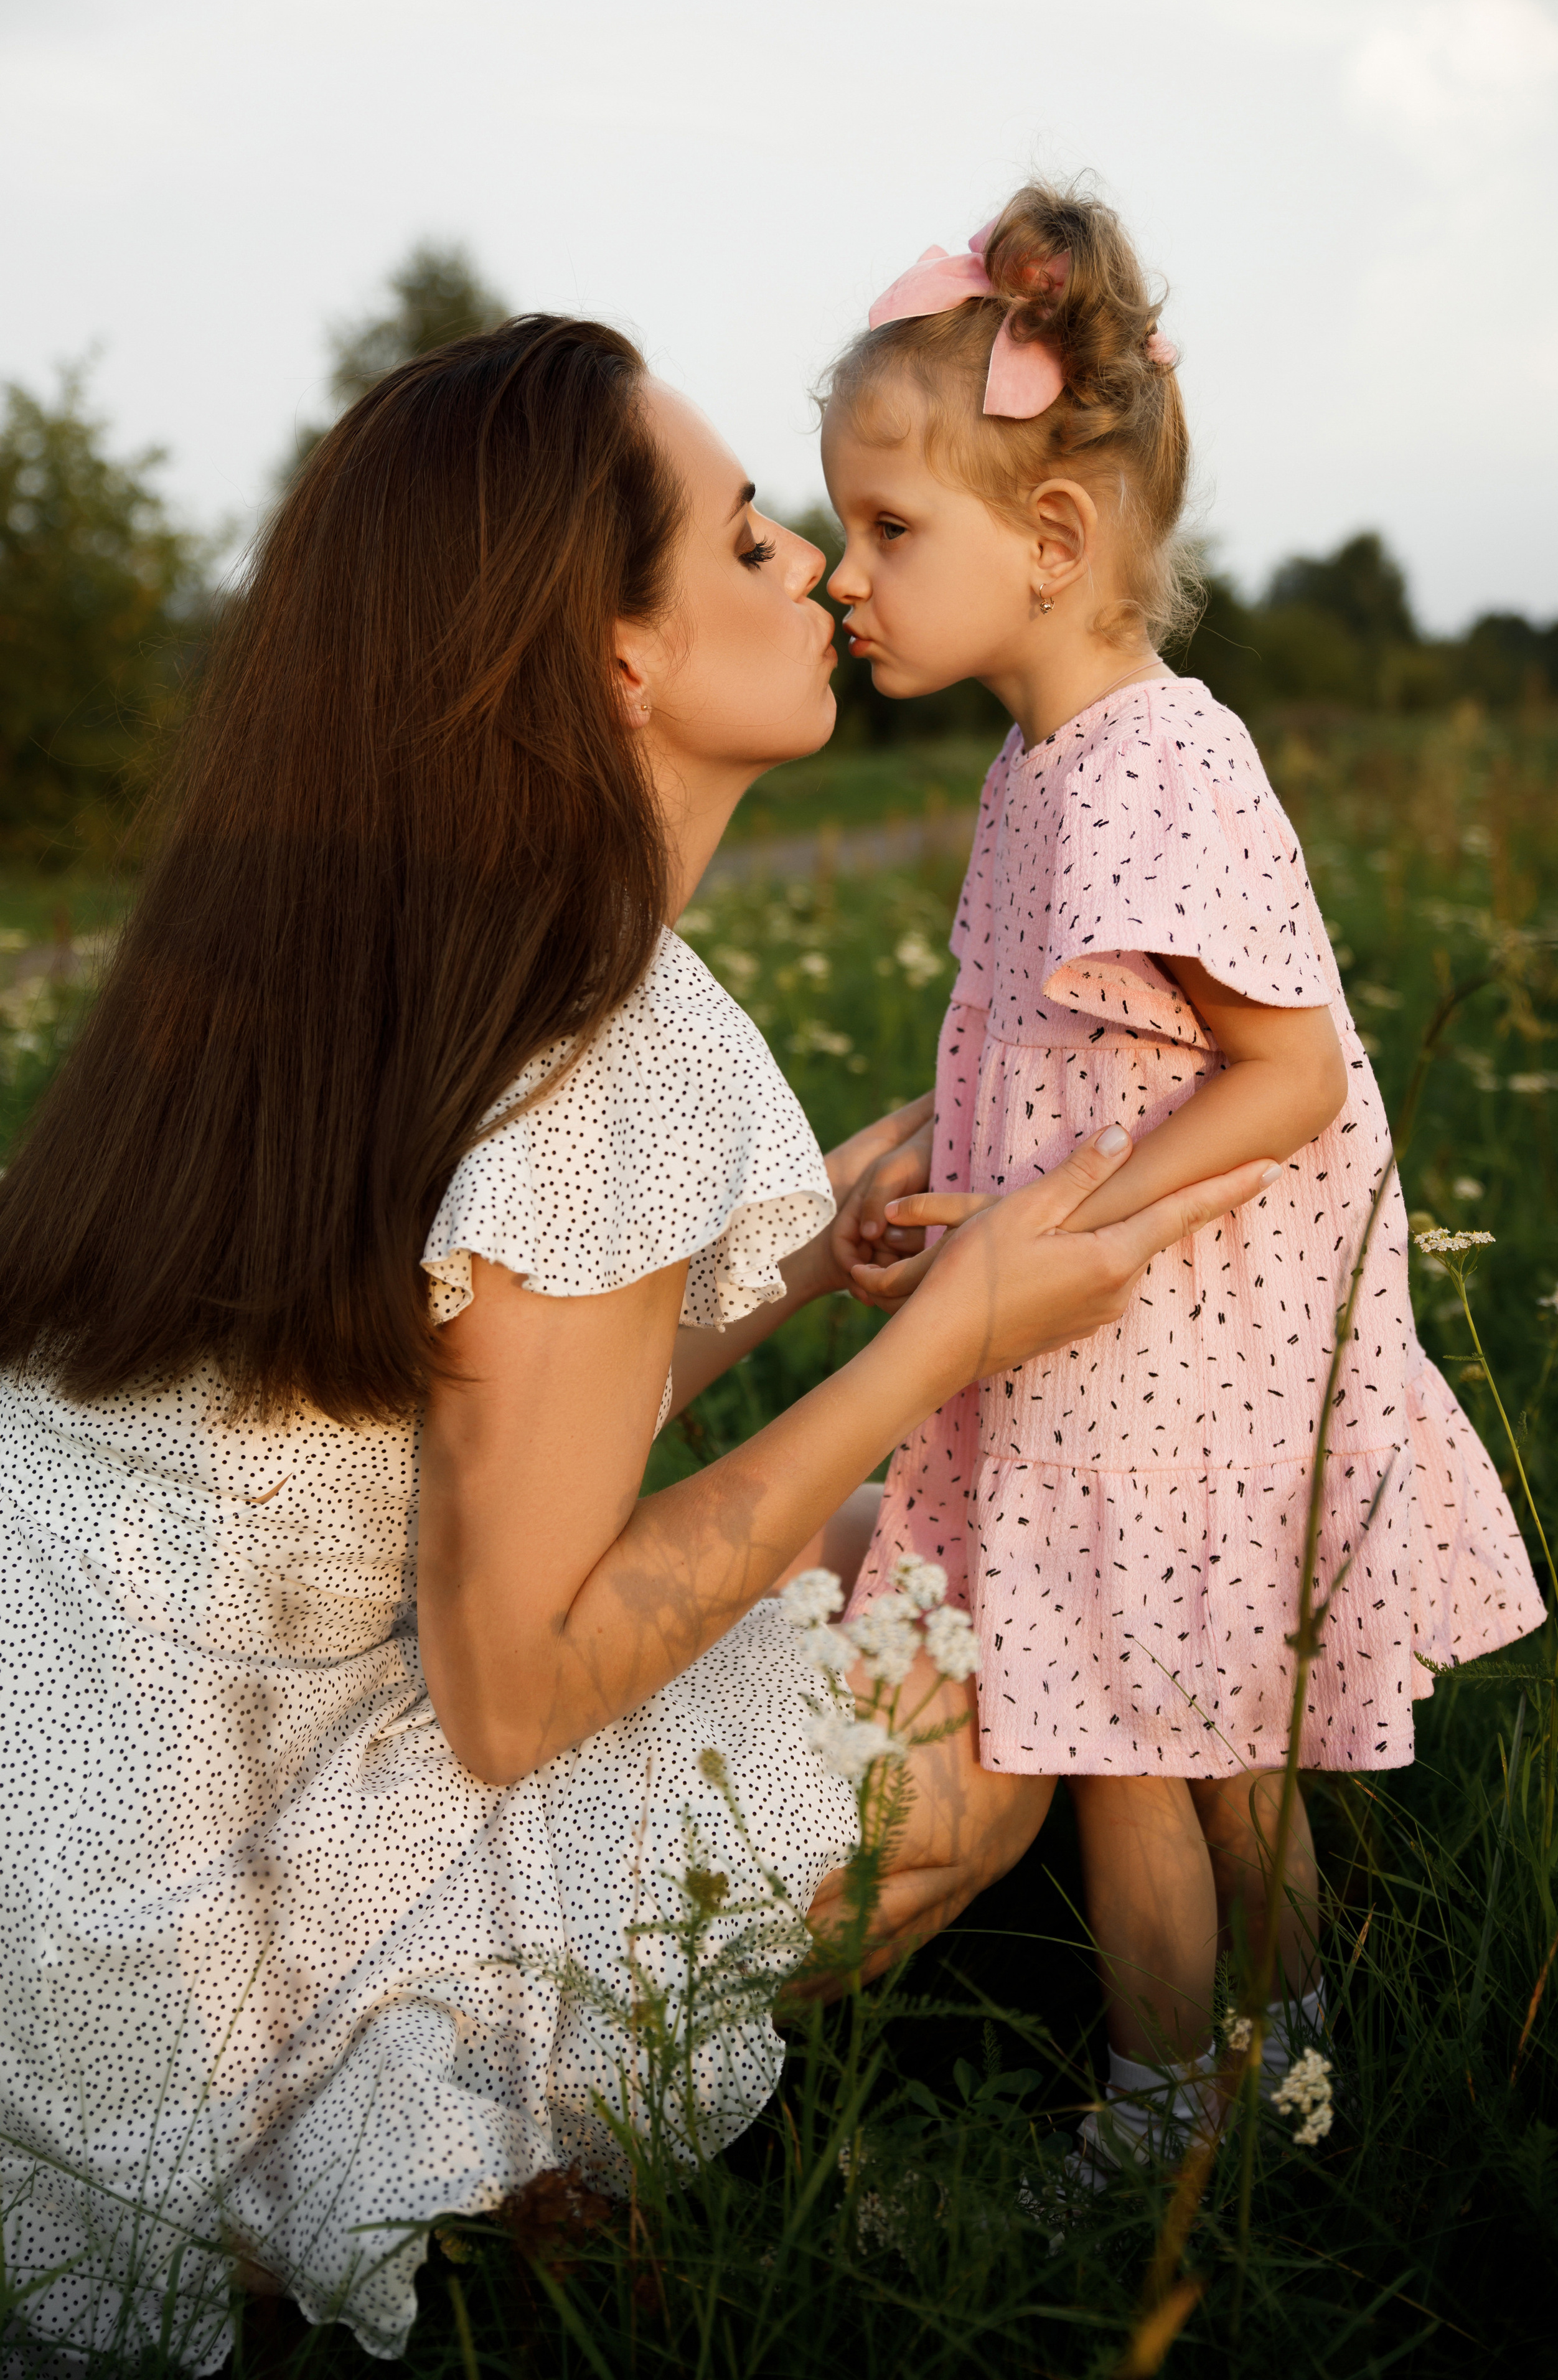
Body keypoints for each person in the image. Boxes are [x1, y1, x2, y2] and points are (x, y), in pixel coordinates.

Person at [0, 313, 1273, 2366]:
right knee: (956, 1671)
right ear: (622, 663)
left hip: (53, 1824)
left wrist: (791, 1277)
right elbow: (510, 1689)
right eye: (757, 541)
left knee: (891, 1544)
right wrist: (936, 1339)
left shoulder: (355, 932)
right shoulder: (604, 1041)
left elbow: (422, 1441)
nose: (824, 576)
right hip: (182, 1944)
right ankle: (426, 2178)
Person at [822, 181, 1544, 2181]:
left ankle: (1201, 2098)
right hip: (1116, 1347)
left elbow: (1294, 1074)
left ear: (1052, 542)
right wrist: (964, 1198)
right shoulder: (1044, 765)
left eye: (891, 530)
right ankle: (1263, 2074)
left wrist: (1061, 1226)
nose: (843, 574)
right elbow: (1076, 1056)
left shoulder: (1157, 760)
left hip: (1182, 1362)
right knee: (1193, 1747)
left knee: (1156, 1751)